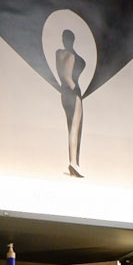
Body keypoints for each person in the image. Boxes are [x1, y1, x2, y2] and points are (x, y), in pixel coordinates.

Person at [54, 26, 86, 177]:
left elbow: (61, 75)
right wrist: (76, 90)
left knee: (71, 128)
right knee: (74, 129)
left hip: (64, 93)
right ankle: (73, 164)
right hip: (73, 92)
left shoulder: (58, 54)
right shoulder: (72, 56)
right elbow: (67, 77)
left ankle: (73, 163)